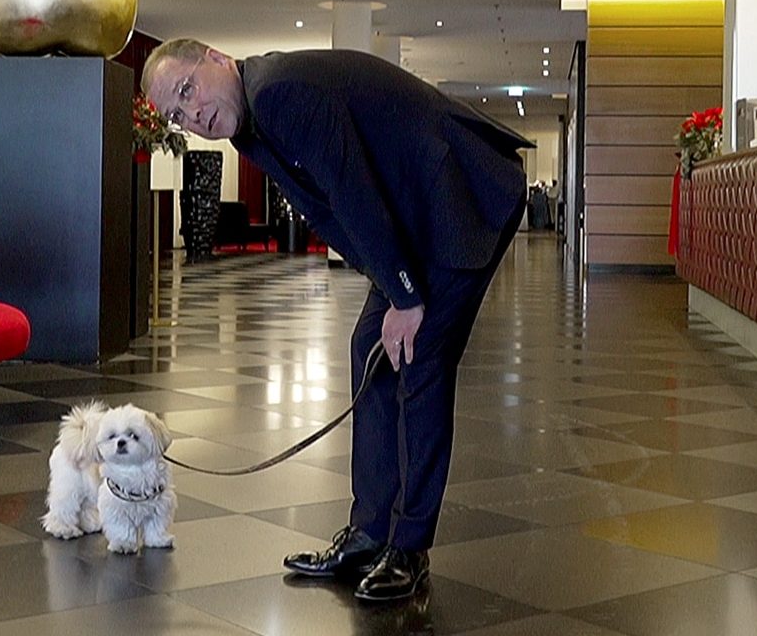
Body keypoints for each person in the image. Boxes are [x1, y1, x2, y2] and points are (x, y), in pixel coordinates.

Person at [141, 40, 530, 601]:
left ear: (217, 59)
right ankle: (371, 534)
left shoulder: (278, 91)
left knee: (418, 361)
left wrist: (405, 296)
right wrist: (389, 284)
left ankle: (409, 547)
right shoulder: (249, 125)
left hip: (461, 197)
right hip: (413, 212)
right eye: (178, 115)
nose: (193, 114)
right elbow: (326, 210)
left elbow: (353, 191)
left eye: (187, 90)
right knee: (369, 348)